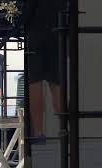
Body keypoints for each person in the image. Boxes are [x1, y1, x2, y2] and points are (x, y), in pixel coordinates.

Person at [27, 0, 66, 143]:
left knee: (35, 84)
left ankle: (38, 132)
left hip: (35, 36)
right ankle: (65, 129)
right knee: (57, 84)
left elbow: (26, 13)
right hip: (57, 36)